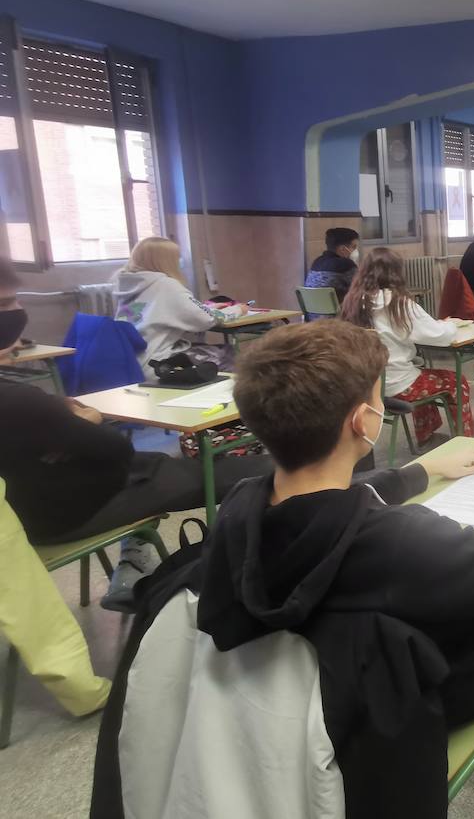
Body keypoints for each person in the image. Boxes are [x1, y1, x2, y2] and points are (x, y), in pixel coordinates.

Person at [192, 320, 474, 803]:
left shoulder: (241, 504)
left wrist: (419, 471)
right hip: (406, 700)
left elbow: (332, 503)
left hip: (289, 697)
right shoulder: (394, 539)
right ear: (363, 421)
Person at [0, 269, 269, 610]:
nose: (17, 311)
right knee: (230, 475)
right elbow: (118, 451)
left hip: (27, 515)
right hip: (67, 514)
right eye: (7, 302)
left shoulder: (22, 403)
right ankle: (221, 572)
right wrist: (88, 420)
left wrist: (62, 429)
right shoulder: (19, 402)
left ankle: (134, 560)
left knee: (165, 467)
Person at [340, 248, 474, 446]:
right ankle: (466, 442)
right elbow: (439, 335)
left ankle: (427, 435)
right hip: (398, 384)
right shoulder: (399, 304)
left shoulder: (352, 302)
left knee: (420, 373)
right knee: (456, 382)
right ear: (396, 273)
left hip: (367, 384)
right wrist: (450, 324)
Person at [113, 236, 242, 376]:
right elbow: (206, 320)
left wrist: (209, 308)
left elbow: (164, 313)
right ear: (165, 261)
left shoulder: (128, 285)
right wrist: (237, 309)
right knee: (228, 353)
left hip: (129, 363)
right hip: (157, 363)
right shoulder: (167, 285)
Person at [303, 226, 360, 297]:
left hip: (313, 307)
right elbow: (361, 288)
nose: (356, 250)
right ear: (342, 249)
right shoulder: (347, 265)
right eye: (354, 247)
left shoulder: (317, 262)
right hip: (338, 307)